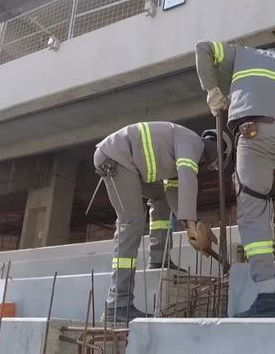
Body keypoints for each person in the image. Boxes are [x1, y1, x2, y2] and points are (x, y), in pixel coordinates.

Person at [194, 41, 275, 318]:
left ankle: (268, 298)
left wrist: (213, 90)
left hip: (254, 136)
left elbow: (202, 47)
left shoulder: (242, 53)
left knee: (253, 210)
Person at [93, 121, 230, 323]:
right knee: (131, 222)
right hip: (117, 158)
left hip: (128, 163)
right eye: (217, 163)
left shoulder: (183, 149)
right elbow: (188, 178)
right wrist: (191, 223)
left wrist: (194, 223)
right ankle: (118, 304)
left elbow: (174, 195)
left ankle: (159, 259)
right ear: (218, 152)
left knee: (161, 199)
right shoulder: (192, 142)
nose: (212, 167)